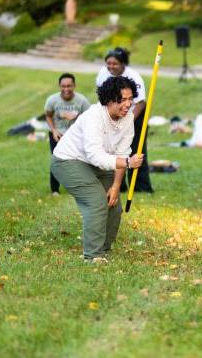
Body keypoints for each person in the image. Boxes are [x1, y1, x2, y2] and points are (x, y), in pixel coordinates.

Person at [51, 76, 144, 263]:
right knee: (97, 200)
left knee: (113, 205)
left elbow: (122, 152)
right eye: (123, 99)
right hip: (68, 161)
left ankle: (103, 249)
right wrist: (127, 162)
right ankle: (92, 256)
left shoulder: (128, 119)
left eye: (130, 99)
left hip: (100, 164)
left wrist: (116, 186)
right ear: (109, 99)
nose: (128, 104)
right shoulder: (94, 117)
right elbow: (96, 155)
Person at [96, 47, 153, 193]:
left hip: (135, 114)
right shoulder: (103, 73)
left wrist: (128, 121)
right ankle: (118, 186)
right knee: (113, 149)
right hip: (114, 115)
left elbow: (141, 103)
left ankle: (141, 187)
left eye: (114, 64)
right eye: (108, 63)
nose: (110, 67)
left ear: (123, 64)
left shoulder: (134, 76)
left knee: (135, 150)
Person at [44, 73, 90, 195]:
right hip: (57, 135)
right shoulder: (52, 100)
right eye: (63, 86)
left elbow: (89, 119)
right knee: (56, 161)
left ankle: (79, 187)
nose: (66, 89)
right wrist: (53, 130)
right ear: (59, 86)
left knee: (78, 162)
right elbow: (48, 116)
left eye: (69, 86)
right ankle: (55, 190)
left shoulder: (82, 101)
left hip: (75, 136)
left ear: (74, 86)